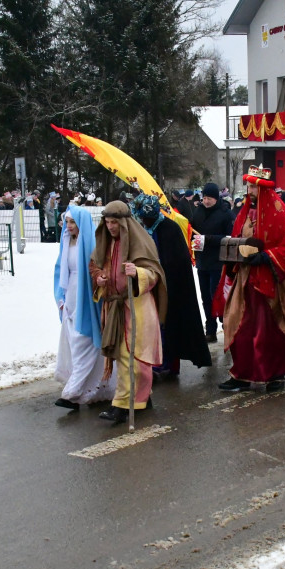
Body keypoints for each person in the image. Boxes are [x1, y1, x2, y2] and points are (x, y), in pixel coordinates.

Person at [216, 165, 285, 392]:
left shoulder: (279, 211)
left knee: (272, 331)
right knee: (240, 326)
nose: (249, 191)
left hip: (271, 282)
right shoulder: (245, 212)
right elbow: (238, 237)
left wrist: (267, 257)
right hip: (246, 281)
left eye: (253, 187)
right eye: (248, 186)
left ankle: (275, 375)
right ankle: (242, 373)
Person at [89, 201, 166, 424]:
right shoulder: (104, 242)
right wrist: (99, 277)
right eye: (107, 221)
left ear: (124, 222)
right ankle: (135, 399)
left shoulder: (140, 242)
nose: (110, 226)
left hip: (138, 307)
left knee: (135, 357)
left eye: (114, 222)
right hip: (114, 307)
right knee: (123, 355)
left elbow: (155, 274)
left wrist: (138, 273)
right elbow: (94, 265)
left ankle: (124, 404)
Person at [131, 193, 212, 379]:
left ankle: (168, 365)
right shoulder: (146, 229)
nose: (145, 221)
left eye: (147, 218)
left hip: (171, 288)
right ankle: (157, 363)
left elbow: (176, 262)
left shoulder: (170, 228)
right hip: (151, 285)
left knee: (170, 326)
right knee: (154, 327)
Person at [53, 206, 115, 409]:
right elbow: (60, 272)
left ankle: (72, 393)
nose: (69, 226)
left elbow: (95, 272)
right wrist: (60, 298)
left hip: (86, 300)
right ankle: (91, 386)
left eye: (73, 222)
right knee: (74, 345)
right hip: (70, 300)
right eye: (67, 222)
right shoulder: (66, 243)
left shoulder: (90, 246)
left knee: (84, 344)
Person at [189, 182, 235, 343]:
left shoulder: (225, 213)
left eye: (209, 198)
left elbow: (230, 238)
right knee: (205, 298)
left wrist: (208, 239)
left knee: (217, 296)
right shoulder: (198, 212)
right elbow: (191, 230)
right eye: (204, 198)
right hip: (202, 262)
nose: (206, 201)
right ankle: (210, 329)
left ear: (216, 198)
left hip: (218, 263)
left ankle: (226, 324)